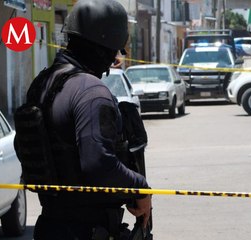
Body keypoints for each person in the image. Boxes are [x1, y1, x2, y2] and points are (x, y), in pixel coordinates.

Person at [20, 0, 152, 239]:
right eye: (114, 51)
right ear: (105, 45)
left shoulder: (43, 83)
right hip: (87, 230)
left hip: (49, 225)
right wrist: (141, 188)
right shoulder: (91, 92)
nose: (114, 60)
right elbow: (99, 164)